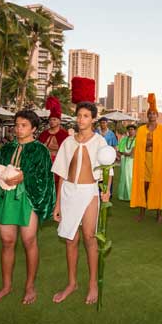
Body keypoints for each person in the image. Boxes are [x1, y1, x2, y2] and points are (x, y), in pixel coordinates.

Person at [0, 110, 56, 304]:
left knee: (29, 240)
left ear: (34, 128)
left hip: (29, 199)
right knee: (7, 241)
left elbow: (46, 178)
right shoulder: (6, 149)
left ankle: (29, 286)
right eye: (17, 125)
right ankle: (6, 286)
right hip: (6, 198)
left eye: (24, 125)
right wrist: (1, 175)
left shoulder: (40, 150)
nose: (18, 129)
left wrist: (25, 176)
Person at [51, 101, 111, 304]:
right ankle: (72, 283)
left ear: (93, 119)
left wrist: (106, 191)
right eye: (79, 115)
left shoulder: (100, 142)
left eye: (86, 116)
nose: (81, 119)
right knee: (70, 239)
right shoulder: (68, 143)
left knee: (89, 237)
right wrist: (58, 204)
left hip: (90, 192)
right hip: (69, 191)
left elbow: (107, 170)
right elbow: (61, 174)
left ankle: (93, 283)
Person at [130, 93, 162, 222]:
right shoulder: (141, 129)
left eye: (154, 113)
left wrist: (150, 143)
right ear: (147, 115)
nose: (152, 115)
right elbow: (139, 144)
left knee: (157, 186)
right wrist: (149, 143)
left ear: (157, 116)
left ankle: (158, 214)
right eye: (150, 113)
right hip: (144, 161)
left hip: (157, 162)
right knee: (144, 186)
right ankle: (142, 212)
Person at [117, 124, 137, 201]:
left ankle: (131, 196)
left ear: (135, 131)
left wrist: (125, 153)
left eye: (132, 129)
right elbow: (119, 150)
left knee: (130, 177)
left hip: (132, 161)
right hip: (124, 160)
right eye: (129, 129)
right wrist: (123, 153)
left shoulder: (137, 140)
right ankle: (122, 195)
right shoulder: (124, 139)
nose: (130, 131)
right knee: (123, 177)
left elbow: (132, 153)